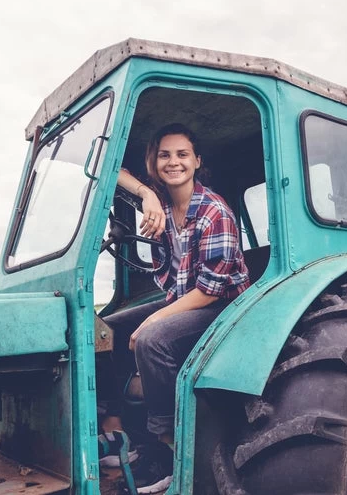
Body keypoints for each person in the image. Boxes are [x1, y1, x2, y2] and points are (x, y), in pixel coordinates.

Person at [99, 123, 250, 493]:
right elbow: (112, 171)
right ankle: (118, 431)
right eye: (164, 154)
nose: (173, 162)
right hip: (182, 301)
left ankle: (166, 449)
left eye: (182, 154)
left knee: (152, 339)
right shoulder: (162, 204)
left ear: (196, 161)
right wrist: (145, 195)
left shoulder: (216, 213)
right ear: (155, 161)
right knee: (102, 329)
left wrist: (154, 318)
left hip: (225, 307)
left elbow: (210, 291)